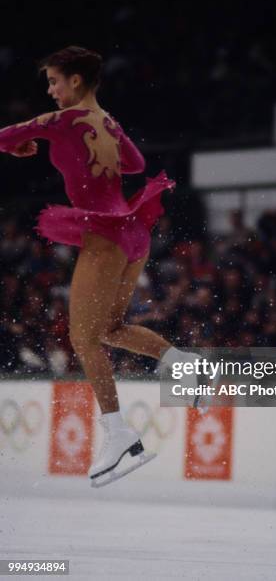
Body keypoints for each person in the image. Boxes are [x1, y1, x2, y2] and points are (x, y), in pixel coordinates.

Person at [0, 45, 201, 486]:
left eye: (54, 81)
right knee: (109, 329)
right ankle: (187, 365)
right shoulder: (107, 120)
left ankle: (118, 433)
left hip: (106, 236)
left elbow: (3, 135)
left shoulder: (65, 121)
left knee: (83, 338)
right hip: (134, 233)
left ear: (75, 80)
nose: (50, 91)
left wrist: (17, 149)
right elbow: (136, 163)